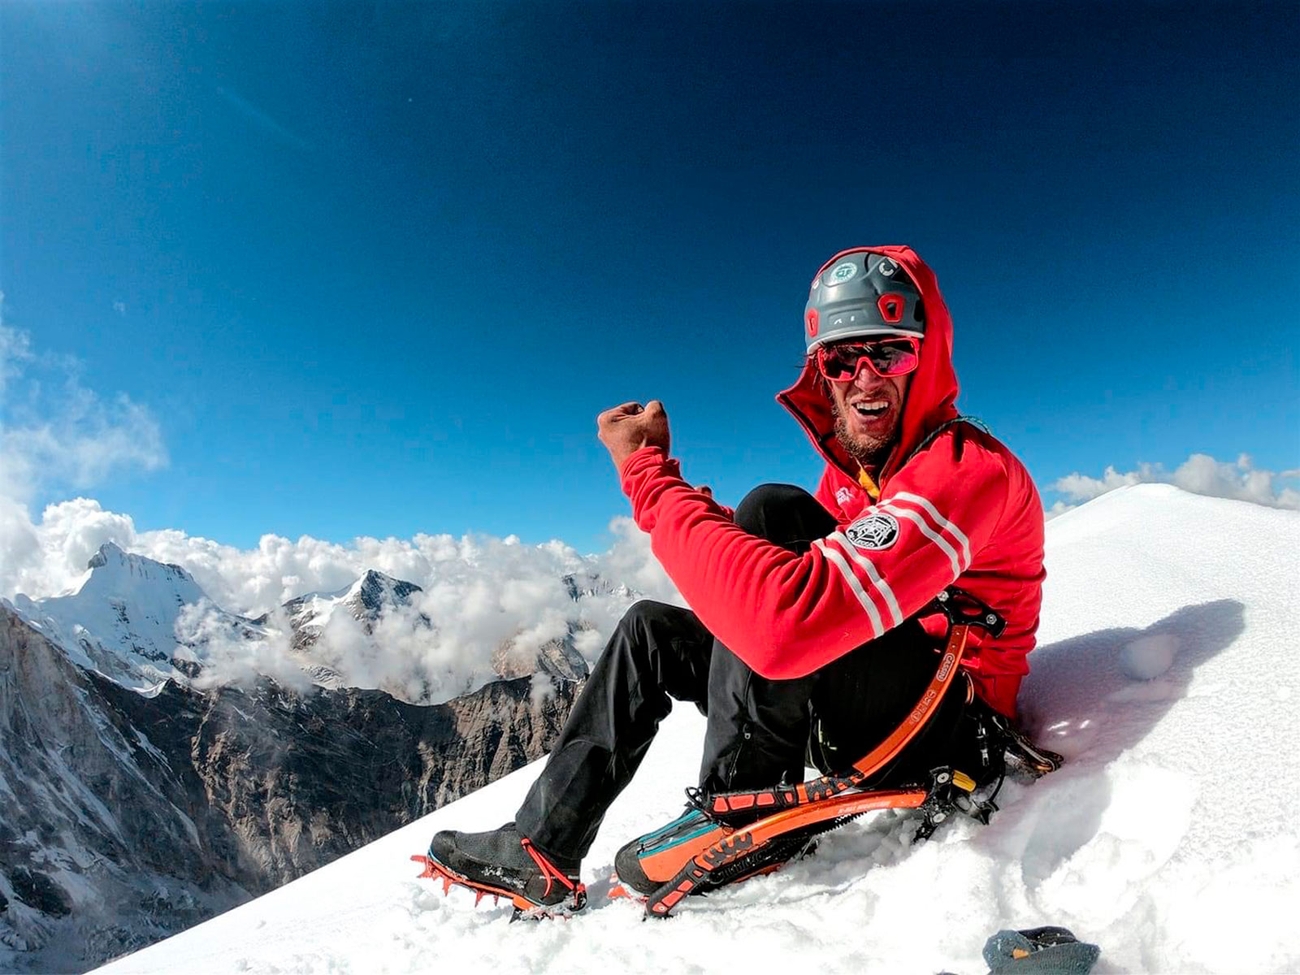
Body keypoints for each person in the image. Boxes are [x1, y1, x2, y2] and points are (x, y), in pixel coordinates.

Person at [424, 245, 1045, 914]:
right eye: (842, 358)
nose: (865, 379)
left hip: (946, 729)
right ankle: (542, 847)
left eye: (888, 352)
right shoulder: (851, 483)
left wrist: (649, 479)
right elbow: (787, 588)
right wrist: (689, 493)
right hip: (865, 706)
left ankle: (739, 813)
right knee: (651, 631)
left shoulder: (965, 466)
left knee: (770, 510)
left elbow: (787, 623)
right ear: (823, 375)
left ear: (927, 355)